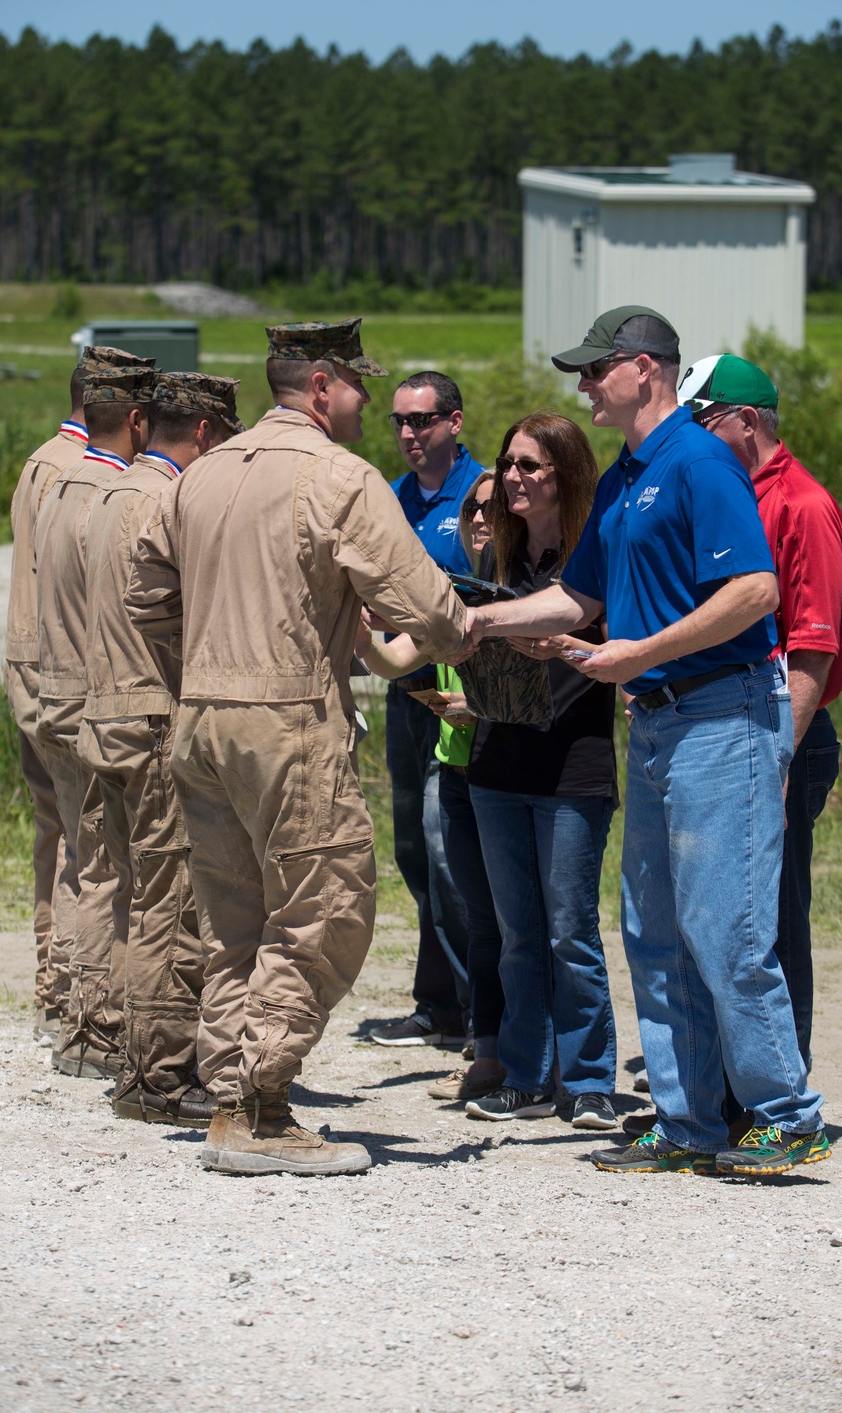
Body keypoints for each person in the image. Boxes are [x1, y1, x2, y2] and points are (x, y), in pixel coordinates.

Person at [461, 306, 830, 1179]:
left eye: (596, 369)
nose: (583, 385)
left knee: (725, 929)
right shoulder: (627, 478)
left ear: (645, 370)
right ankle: (686, 1118)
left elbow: (753, 592)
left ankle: (787, 1113)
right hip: (661, 723)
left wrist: (640, 655)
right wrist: (475, 618)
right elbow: (576, 599)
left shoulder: (700, 460)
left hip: (723, 715)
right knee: (653, 931)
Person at [125, 318, 467, 1178]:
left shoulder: (200, 477)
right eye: (358, 387)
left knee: (235, 922)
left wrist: (205, 651)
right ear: (321, 385)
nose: (366, 405)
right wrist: (465, 633)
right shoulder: (338, 477)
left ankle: (230, 1104)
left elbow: (143, 591)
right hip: (284, 721)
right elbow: (425, 607)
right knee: (327, 904)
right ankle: (265, 1105)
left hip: (200, 721)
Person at [78, 372, 244, 1125]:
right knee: (169, 905)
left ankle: (134, 1058)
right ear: (207, 433)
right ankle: (161, 1076)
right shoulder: (166, 499)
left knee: (132, 895)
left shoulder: (107, 491)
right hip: (150, 715)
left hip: (104, 710)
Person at [678, 353, 842, 1068]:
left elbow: (813, 647)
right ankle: (722, 1083)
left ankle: (778, 1087)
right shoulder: (727, 491)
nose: (691, 437)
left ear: (747, 421)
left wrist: (779, 757)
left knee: (770, 920)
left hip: (784, 734)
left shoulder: (802, 504)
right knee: (716, 915)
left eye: (703, 420)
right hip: (723, 727)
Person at [459, 412, 620, 1131]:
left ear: (566, 474)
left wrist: (565, 644)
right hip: (497, 760)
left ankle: (588, 1079)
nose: (514, 479)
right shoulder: (502, 561)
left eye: (531, 467)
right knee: (518, 931)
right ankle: (525, 1073)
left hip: (572, 767)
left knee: (569, 931)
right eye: (510, 465)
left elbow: (630, 650)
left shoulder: (596, 558)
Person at [357, 471, 507, 1102]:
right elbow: (394, 660)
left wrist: (482, 708)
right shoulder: (453, 597)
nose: (477, 520)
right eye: (471, 510)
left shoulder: (519, 595)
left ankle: (546, 1059)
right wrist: (353, 622)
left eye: (490, 511)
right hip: (455, 767)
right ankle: (484, 1037)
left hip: (507, 775)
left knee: (522, 920)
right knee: (462, 897)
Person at [36, 350, 154, 1080]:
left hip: (60, 692)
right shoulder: (110, 491)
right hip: (98, 701)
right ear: (137, 419)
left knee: (87, 864)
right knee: (111, 870)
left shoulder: (60, 479)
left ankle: (79, 1017)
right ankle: (100, 1026)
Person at [372, 371, 485, 1050]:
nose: (411, 435)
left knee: (455, 857)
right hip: (406, 690)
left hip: (465, 698)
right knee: (414, 848)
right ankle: (437, 1002)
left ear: (455, 422)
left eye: (424, 421)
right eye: (401, 423)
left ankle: (483, 1015)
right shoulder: (389, 499)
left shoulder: (481, 494)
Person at [5, 366, 94, 1044]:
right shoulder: (76, 469)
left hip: (28, 665)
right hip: (62, 670)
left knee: (53, 831)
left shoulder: (42, 459)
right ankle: (69, 993)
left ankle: (50, 981)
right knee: (81, 834)